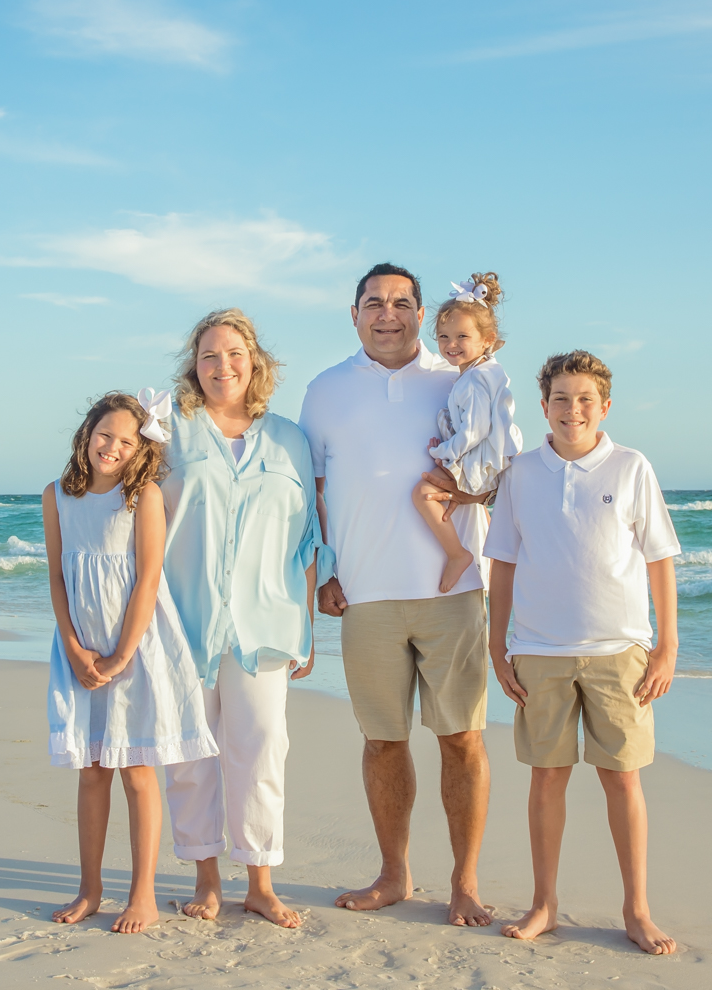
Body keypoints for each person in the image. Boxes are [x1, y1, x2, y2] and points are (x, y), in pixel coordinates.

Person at [298, 262, 495, 927]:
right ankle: (393, 872)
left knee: (462, 739)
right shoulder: (324, 391)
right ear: (353, 314)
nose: (388, 314)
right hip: (365, 594)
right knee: (383, 741)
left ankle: (464, 881)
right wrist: (324, 571)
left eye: (402, 303)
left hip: (454, 589)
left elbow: (498, 470)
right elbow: (313, 493)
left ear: (421, 313)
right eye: (374, 303)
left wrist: (467, 495)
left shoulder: (459, 379)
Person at [483, 350, 680, 954]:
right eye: (562, 399)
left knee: (623, 779)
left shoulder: (630, 467)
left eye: (585, 399)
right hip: (539, 651)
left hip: (620, 650)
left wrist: (667, 645)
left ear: (605, 406)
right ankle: (545, 903)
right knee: (547, 776)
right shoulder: (521, 473)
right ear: (544, 407)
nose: (574, 410)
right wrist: (498, 643)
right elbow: (504, 563)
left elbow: (658, 559)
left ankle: (637, 910)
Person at [160, 308, 322, 930]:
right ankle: (205, 880)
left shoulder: (290, 439)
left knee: (262, 750)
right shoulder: (170, 430)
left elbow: (306, 535)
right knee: (190, 754)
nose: (221, 365)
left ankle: (260, 882)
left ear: (254, 361)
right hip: (183, 621)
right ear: (192, 367)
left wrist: (305, 622)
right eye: (208, 355)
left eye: (233, 353)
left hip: (268, 622)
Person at [42, 391, 218, 934]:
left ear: (141, 448)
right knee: (92, 771)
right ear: (86, 434)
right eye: (104, 434)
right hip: (80, 650)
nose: (112, 447)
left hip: (137, 648)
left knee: (138, 771)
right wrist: (74, 648)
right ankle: (90, 888)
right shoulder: (56, 496)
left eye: (126, 440)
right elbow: (57, 577)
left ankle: (142, 893)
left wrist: (122, 653)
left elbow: (147, 579)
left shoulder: (142, 496)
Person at [412, 272, 523, 593]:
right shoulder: (480, 374)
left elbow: (475, 430)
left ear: (487, 340)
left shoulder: (473, 380)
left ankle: (457, 554)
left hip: (481, 462)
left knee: (422, 494)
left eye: (462, 337)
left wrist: (443, 452)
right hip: (490, 459)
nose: (451, 345)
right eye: (443, 337)